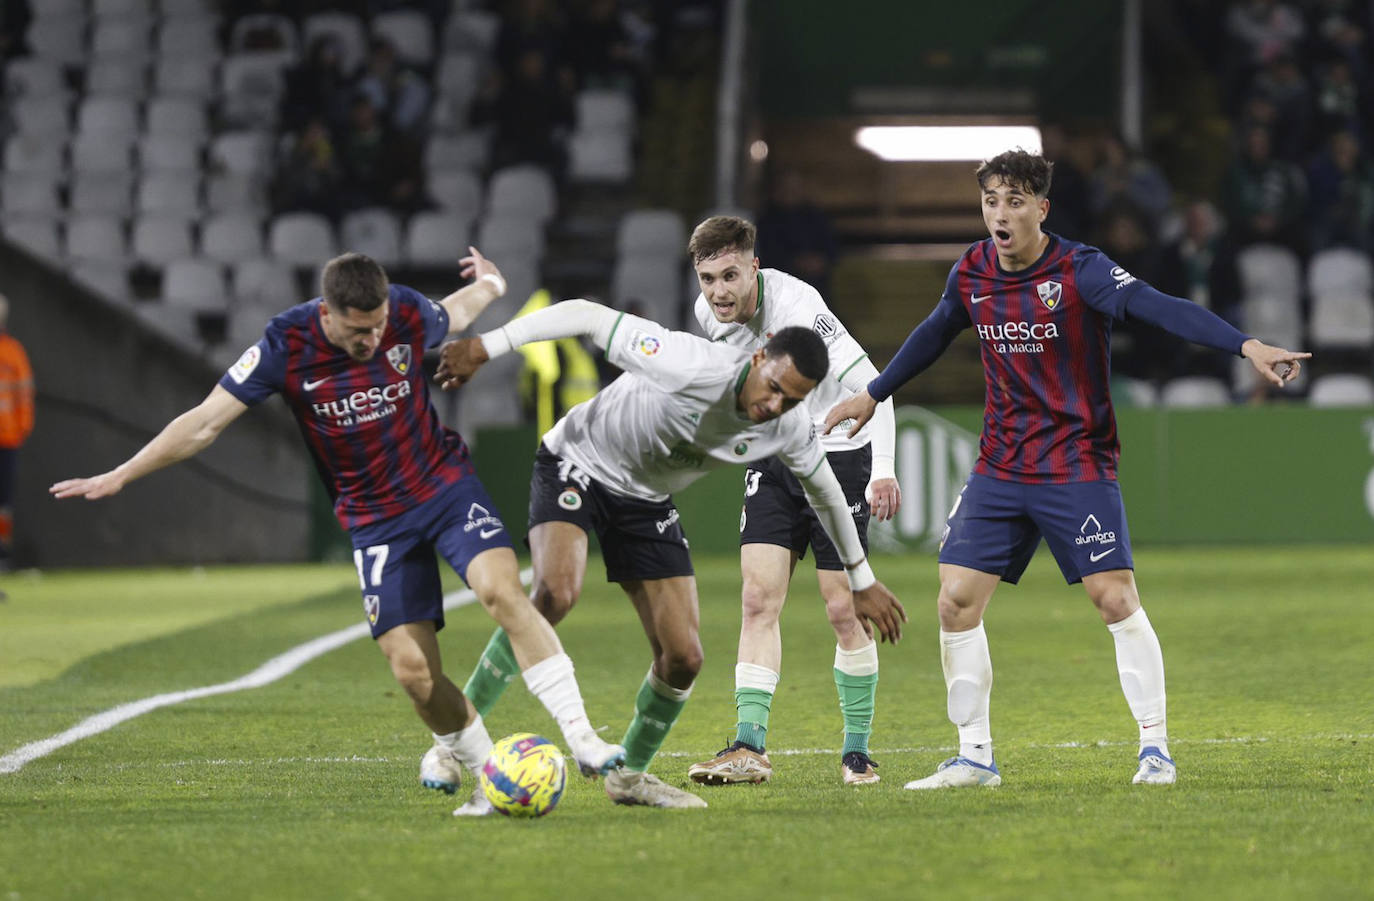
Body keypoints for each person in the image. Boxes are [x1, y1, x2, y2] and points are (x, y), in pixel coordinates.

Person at [49, 249, 625, 817]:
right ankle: (482, 778)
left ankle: (582, 738)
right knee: (413, 673)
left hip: (444, 486)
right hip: (374, 520)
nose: (372, 341)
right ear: (327, 313)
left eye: (378, 328)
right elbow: (203, 423)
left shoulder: (402, 310)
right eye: (358, 332)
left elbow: (457, 309)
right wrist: (123, 473)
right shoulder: (284, 343)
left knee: (503, 593)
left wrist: (493, 284)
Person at [825, 149, 1309, 790]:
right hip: (1000, 465)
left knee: (1115, 599)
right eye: (991, 201)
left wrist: (1247, 344)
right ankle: (974, 757)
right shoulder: (971, 271)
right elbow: (936, 331)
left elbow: (1164, 307)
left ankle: (1156, 749)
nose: (1000, 215)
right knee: (954, 602)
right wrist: (876, 391)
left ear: (1041, 209)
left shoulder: (1081, 271)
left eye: (1015, 202)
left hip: (1075, 463)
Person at [437, 302, 906, 808]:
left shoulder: (786, 427)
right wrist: (488, 344)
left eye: (792, 400)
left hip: (645, 498)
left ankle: (630, 777)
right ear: (757, 358)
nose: (774, 406)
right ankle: (451, 743)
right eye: (773, 387)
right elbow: (586, 316)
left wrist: (860, 578)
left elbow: (827, 495)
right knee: (554, 593)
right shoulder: (688, 362)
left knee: (683, 657)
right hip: (580, 459)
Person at [681, 216, 900, 787]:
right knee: (757, 598)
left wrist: (884, 471)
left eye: (730, 275)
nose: (719, 292)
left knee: (839, 608)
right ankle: (749, 747)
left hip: (838, 453)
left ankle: (857, 751)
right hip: (775, 457)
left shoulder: (799, 307)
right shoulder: (709, 316)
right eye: (707, 278)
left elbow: (875, 385)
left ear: (754, 266)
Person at [0, 293, 35, 572]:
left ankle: (2, 555)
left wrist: (22, 428)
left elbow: (24, 394)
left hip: (8, 438)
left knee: (4, 502)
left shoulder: (14, 352)